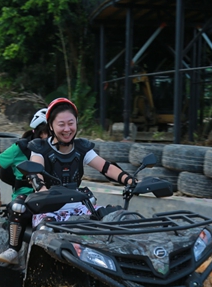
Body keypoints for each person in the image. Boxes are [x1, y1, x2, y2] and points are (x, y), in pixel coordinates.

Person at [27, 97, 135, 227]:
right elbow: (35, 172)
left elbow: (107, 168)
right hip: (48, 208)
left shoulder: (82, 148)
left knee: (118, 216)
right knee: (48, 228)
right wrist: (42, 191)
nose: (67, 129)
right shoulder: (40, 148)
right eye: (61, 124)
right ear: (51, 126)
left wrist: (130, 181)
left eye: (71, 123)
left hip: (78, 207)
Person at [0, 108, 50, 265]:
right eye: (46, 132)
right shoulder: (20, 148)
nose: (48, 137)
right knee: (19, 207)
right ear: (40, 132)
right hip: (26, 196)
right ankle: (13, 249)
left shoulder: (59, 148)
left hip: (51, 194)